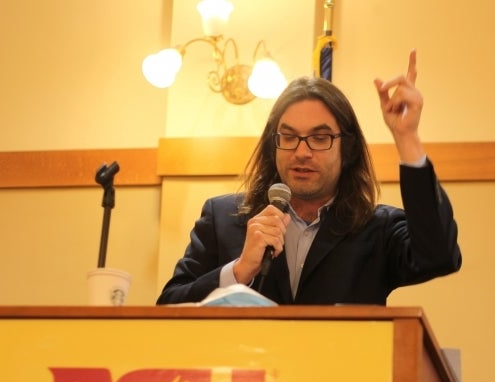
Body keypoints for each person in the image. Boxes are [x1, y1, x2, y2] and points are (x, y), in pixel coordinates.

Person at [156, 50, 461, 306]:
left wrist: (407, 137)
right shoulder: (221, 218)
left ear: (348, 149)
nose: (301, 152)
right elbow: (169, 306)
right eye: (288, 137)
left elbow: (438, 257)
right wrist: (239, 270)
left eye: (320, 138)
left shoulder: (377, 229)